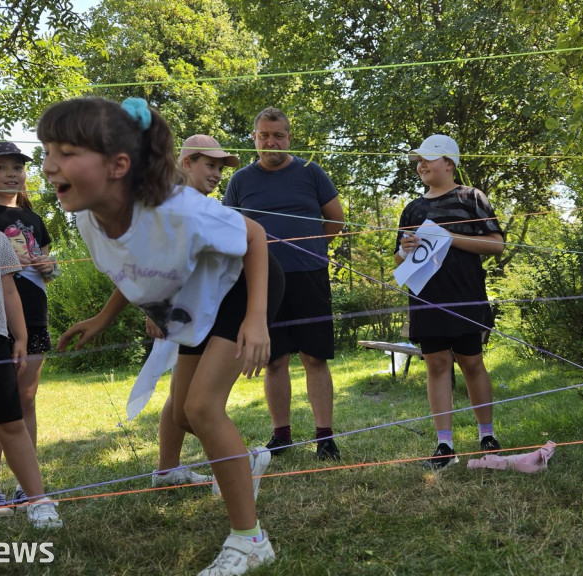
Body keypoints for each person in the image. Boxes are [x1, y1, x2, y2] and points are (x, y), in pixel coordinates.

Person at [39, 97, 283, 575]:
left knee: (201, 407)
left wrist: (256, 321)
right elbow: (133, 267)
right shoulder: (88, 217)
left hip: (243, 287)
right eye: (48, 152)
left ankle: (250, 540)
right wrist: (105, 316)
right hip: (198, 295)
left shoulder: (179, 209)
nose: (49, 167)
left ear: (119, 165)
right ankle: (246, 461)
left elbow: (254, 236)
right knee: (183, 412)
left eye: (65, 152)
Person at [223, 107, 345, 460]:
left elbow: (336, 220)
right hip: (262, 283)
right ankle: (282, 436)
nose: (271, 142)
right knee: (273, 360)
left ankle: (325, 437)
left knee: (314, 357)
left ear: (289, 137)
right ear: (254, 138)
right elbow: (231, 231)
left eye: (277, 135)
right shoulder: (240, 181)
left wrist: (313, 246)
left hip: (310, 275)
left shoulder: (310, 172)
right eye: (264, 135)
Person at [395, 134, 506, 470]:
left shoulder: (471, 197)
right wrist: (405, 250)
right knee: (437, 366)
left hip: (466, 295)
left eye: (428, 159)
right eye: (419, 161)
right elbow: (399, 260)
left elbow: (496, 244)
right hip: (426, 299)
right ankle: (444, 445)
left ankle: (486, 436)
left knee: (471, 362)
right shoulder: (413, 208)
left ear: (449, 163)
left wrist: (449, 237)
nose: (421, 165)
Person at [0, 158, 61, 528]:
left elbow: (17, 287)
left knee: (16, 409)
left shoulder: (5, 233)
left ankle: (33, 495)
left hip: (4, 333)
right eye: (0, 166)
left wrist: (18, 335)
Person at [149, 134, 241, 489]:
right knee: (183, 405)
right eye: (210, 165)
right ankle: (171, 469)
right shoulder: (172, 204)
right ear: (186, 163)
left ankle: (236, 465)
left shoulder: (208, 210)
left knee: (195, 406)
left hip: (216, 310)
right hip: (190, 311)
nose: (218, 174)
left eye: (220, 167)